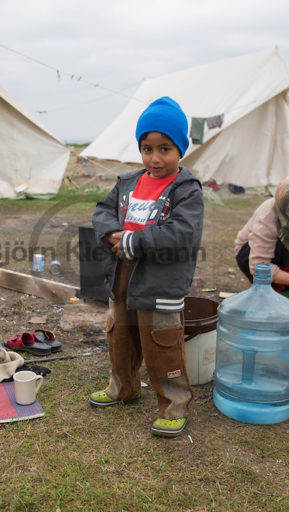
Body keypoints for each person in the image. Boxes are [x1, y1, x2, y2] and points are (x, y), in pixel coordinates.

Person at [89, 96, 204, 438]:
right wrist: (111, 232)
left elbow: (182, 232)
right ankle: (123, 387)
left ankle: (174, 404)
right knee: (120, 335)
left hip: (161, 280)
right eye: (147, 148)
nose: (155, 158)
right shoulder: (127, 182)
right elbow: (102, 211)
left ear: (181, 148)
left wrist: (133, 242)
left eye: (165, 148)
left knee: (162, 343)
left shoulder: (186, 189)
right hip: (123, 275)